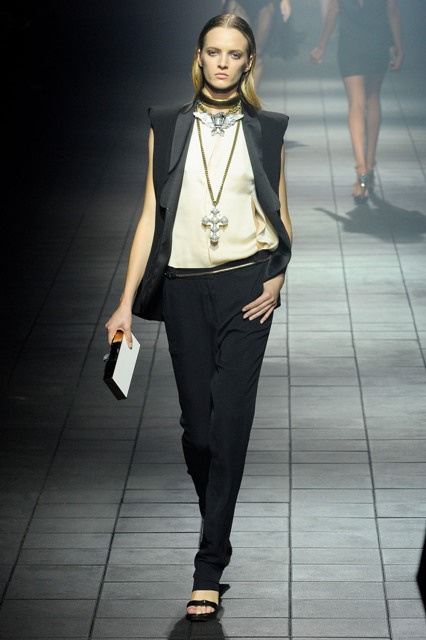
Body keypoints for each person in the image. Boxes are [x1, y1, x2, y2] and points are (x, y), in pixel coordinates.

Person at [105, 13, 292, 623]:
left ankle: (208, 565)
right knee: (200, 433)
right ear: (199, 56)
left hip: (247, 289)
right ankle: (217, 523)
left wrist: (278, 275)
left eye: (234, 54)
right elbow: (149, 216)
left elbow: (279, 210)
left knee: (229, 426)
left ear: (248, 62)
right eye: (214, 52)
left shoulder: (267, 128)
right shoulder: (166, 124)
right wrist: (125, 302)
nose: (222, 63)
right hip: (184, 289)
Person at [311, 0, 404, 203]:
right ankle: (370, 166)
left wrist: (321, 45)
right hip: (378, 41)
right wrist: (399, 48)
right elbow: (392, 11)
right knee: (373, 98)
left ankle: (361, 170)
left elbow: (334, 9)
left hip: (350, 43)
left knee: (356, 104)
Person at [221, 0, 292, 85]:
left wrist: (285, 1)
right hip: (238, 3)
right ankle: (235, 89)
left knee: (257, 53)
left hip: (264, 4)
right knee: (237, 50)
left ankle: (250, 92)